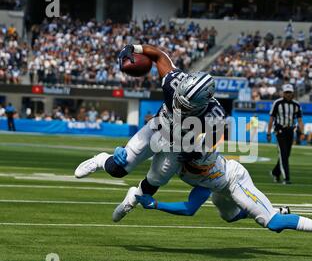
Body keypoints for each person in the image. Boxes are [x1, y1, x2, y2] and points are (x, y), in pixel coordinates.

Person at [116, 147, 312, 258]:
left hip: (233, 180)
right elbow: (190, 204)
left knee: (273, 223)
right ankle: (274, 210)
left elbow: (189, 209)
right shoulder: (184, 163)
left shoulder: (200, 166)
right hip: (219, 186)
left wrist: (156, 205)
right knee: (228, 216)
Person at [74, 43, 225, 207]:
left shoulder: (214, 115)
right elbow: (159, 55)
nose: (179, 106)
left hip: (177, 145)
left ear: (203, 103)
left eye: (186, 105)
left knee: (154, 181)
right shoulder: (172, 81)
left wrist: (195, 152)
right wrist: (132, 48)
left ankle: (131, 200)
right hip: (157, 127)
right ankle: (100, 160)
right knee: (118, 169)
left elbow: (213, 138)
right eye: (179, 99)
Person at [266, 84, 304, 184]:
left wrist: (302, 132)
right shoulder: (277, 103)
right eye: (286, 92)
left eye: (289, 92)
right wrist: (269, 132)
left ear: (292, 93)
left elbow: (299, 120)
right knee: (283, 154)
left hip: (290, 131)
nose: (288, 94)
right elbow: (271, 118)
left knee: (286, 155)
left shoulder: (296, 105)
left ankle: (275, 172)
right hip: (280, 131)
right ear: (283, 93)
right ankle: (286, 178)